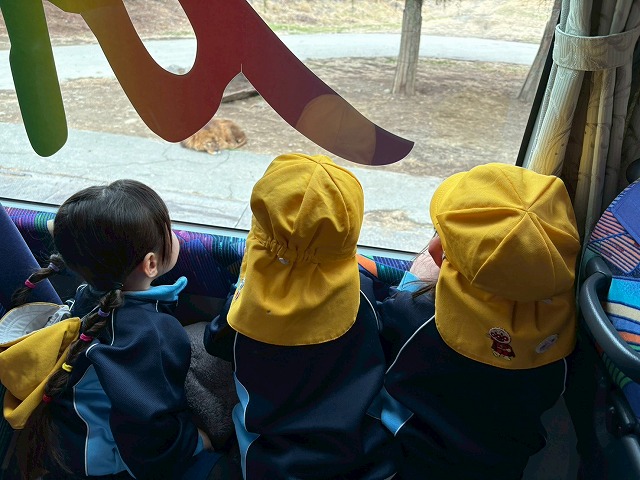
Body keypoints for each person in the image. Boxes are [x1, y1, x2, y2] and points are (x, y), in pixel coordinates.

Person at [9, 179, 232, 480]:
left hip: (68, 443)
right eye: (168, 229)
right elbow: (149, 433)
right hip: (107, 465)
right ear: (151, 264)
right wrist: (195, 442)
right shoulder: (151, 334)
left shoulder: (87, 298)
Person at [378, 163, 582, 479]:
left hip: (412, 465)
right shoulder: (560, 340)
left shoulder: (414, 315)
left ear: (436, 252)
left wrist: (413, 283)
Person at [204, 153, 398, 479]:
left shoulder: (241, 310)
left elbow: (214, 341)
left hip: (273, 464)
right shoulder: (364, 294)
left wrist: (242, 285)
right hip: (363, 458)